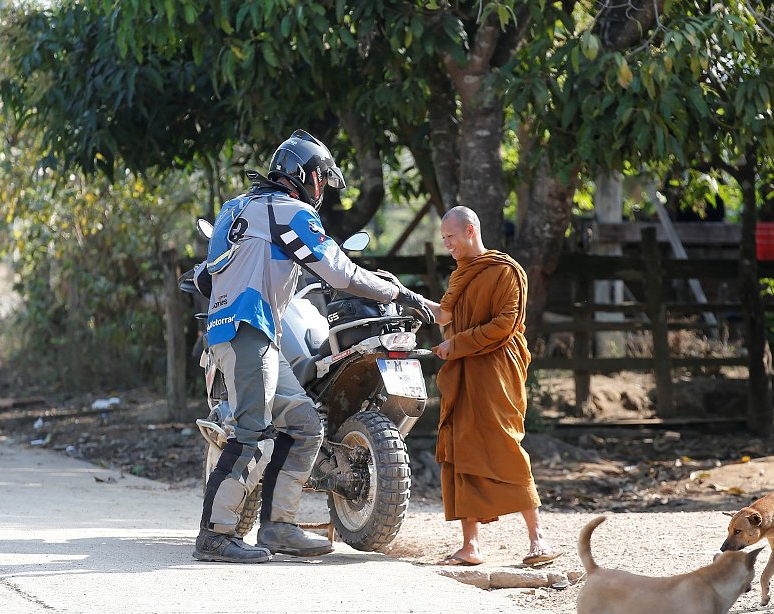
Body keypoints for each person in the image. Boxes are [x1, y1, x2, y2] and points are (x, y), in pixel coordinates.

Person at [193, 129, 435, 563]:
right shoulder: (292, 211)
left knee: (305, 423)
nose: (322, 187)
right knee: (252, 434)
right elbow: (340, 273)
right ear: (303, 174)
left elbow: (207, 277)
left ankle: (279, 528)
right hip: (251, 331)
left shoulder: (234, 209)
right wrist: (400, 293)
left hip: (243, 331)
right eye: (322, 177)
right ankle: (214, 535)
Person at [424, 205, 560, 567]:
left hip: (497, 371)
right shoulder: (461, 275)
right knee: (460, 447)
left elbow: (505, 324)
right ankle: (471, 546)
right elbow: (444, 315)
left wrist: (459, 343)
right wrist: (396, 293)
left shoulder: (505, 271)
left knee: (504, 445)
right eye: (444, 239)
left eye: (450, 237)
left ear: (470, 230)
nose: (447, 244)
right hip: (463, 372)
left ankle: (537, 539)